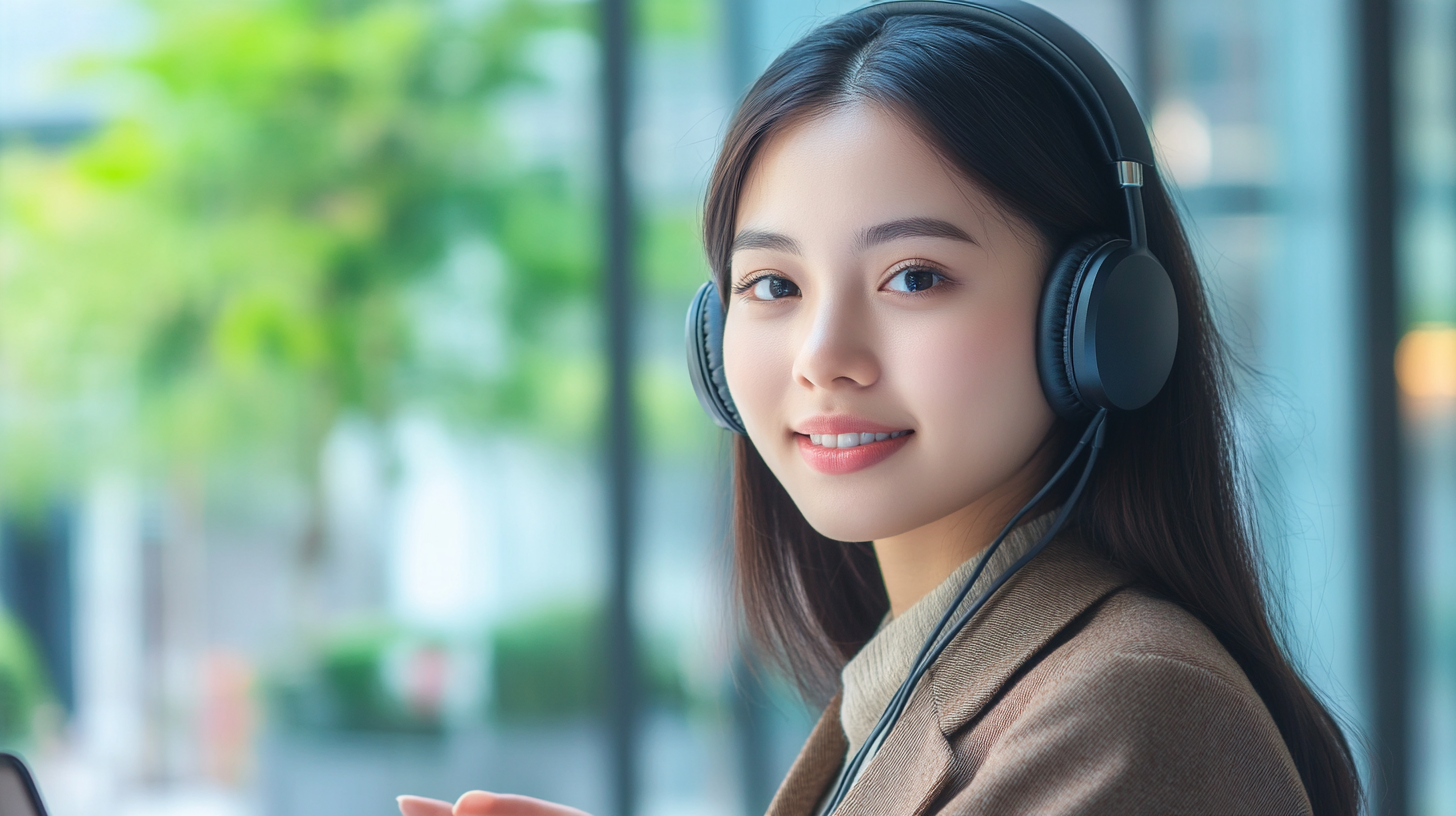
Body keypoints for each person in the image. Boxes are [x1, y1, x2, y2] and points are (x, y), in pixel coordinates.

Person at [399, 2, 1361, 814]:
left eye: (914, 276)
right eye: (773, 286)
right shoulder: (922, 681)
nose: (825, 358)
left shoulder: (1130, 710)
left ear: (1100, 323)